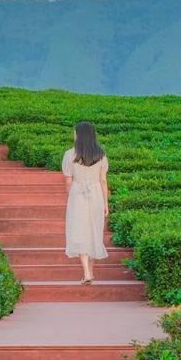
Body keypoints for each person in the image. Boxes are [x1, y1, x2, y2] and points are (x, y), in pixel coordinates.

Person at [62, 121, 109, 285]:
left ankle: (87, 272)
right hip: (96, 194)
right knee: (95, 232)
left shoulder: (69, 154)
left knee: (80, 231)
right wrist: (106, 204)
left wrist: (71, 195)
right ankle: (91, 272)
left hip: (77, 193)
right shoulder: (101, 154)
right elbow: (103, 181)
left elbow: (68, 180)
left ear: (79, 135)